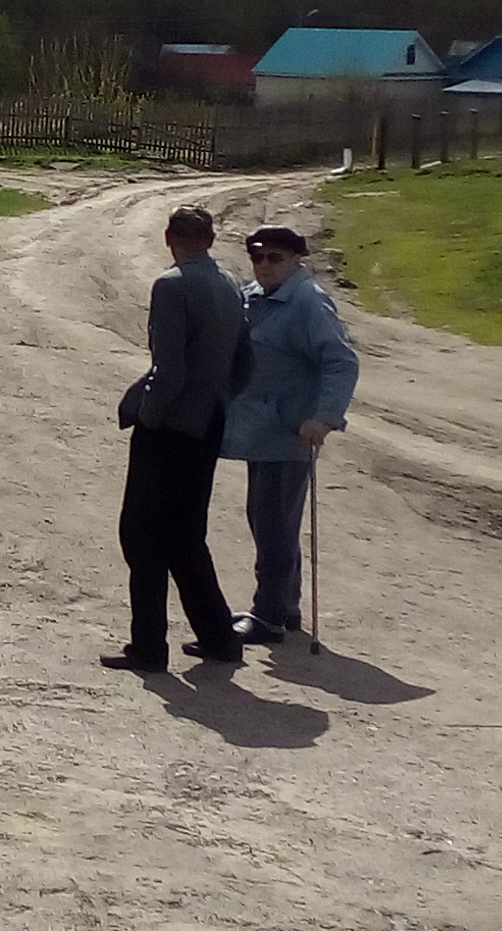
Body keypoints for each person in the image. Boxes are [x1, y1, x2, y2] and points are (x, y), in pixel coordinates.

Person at [102, 206, 248, 675]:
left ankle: (148, 646)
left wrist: (150, 416)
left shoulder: (172, 285)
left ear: (169, 238)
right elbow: (244, 363)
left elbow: (169, 370)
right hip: (210, 420)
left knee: (142, 535)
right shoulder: (229, 286)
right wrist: (218, 399)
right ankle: (219, 636)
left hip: (171, 426)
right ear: (210, 237)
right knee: (186, 534)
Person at [223, 225, 360, 646]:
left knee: (274, 526)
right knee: (267, 520)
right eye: (258, 257)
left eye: (274, 258)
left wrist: (324, 417)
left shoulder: (307, 303)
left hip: (289, 431)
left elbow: (341, 362)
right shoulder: (255, 297)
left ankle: (268, 616)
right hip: (260, 428)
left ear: (297, 259)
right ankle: (285, 607)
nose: (264, 265)